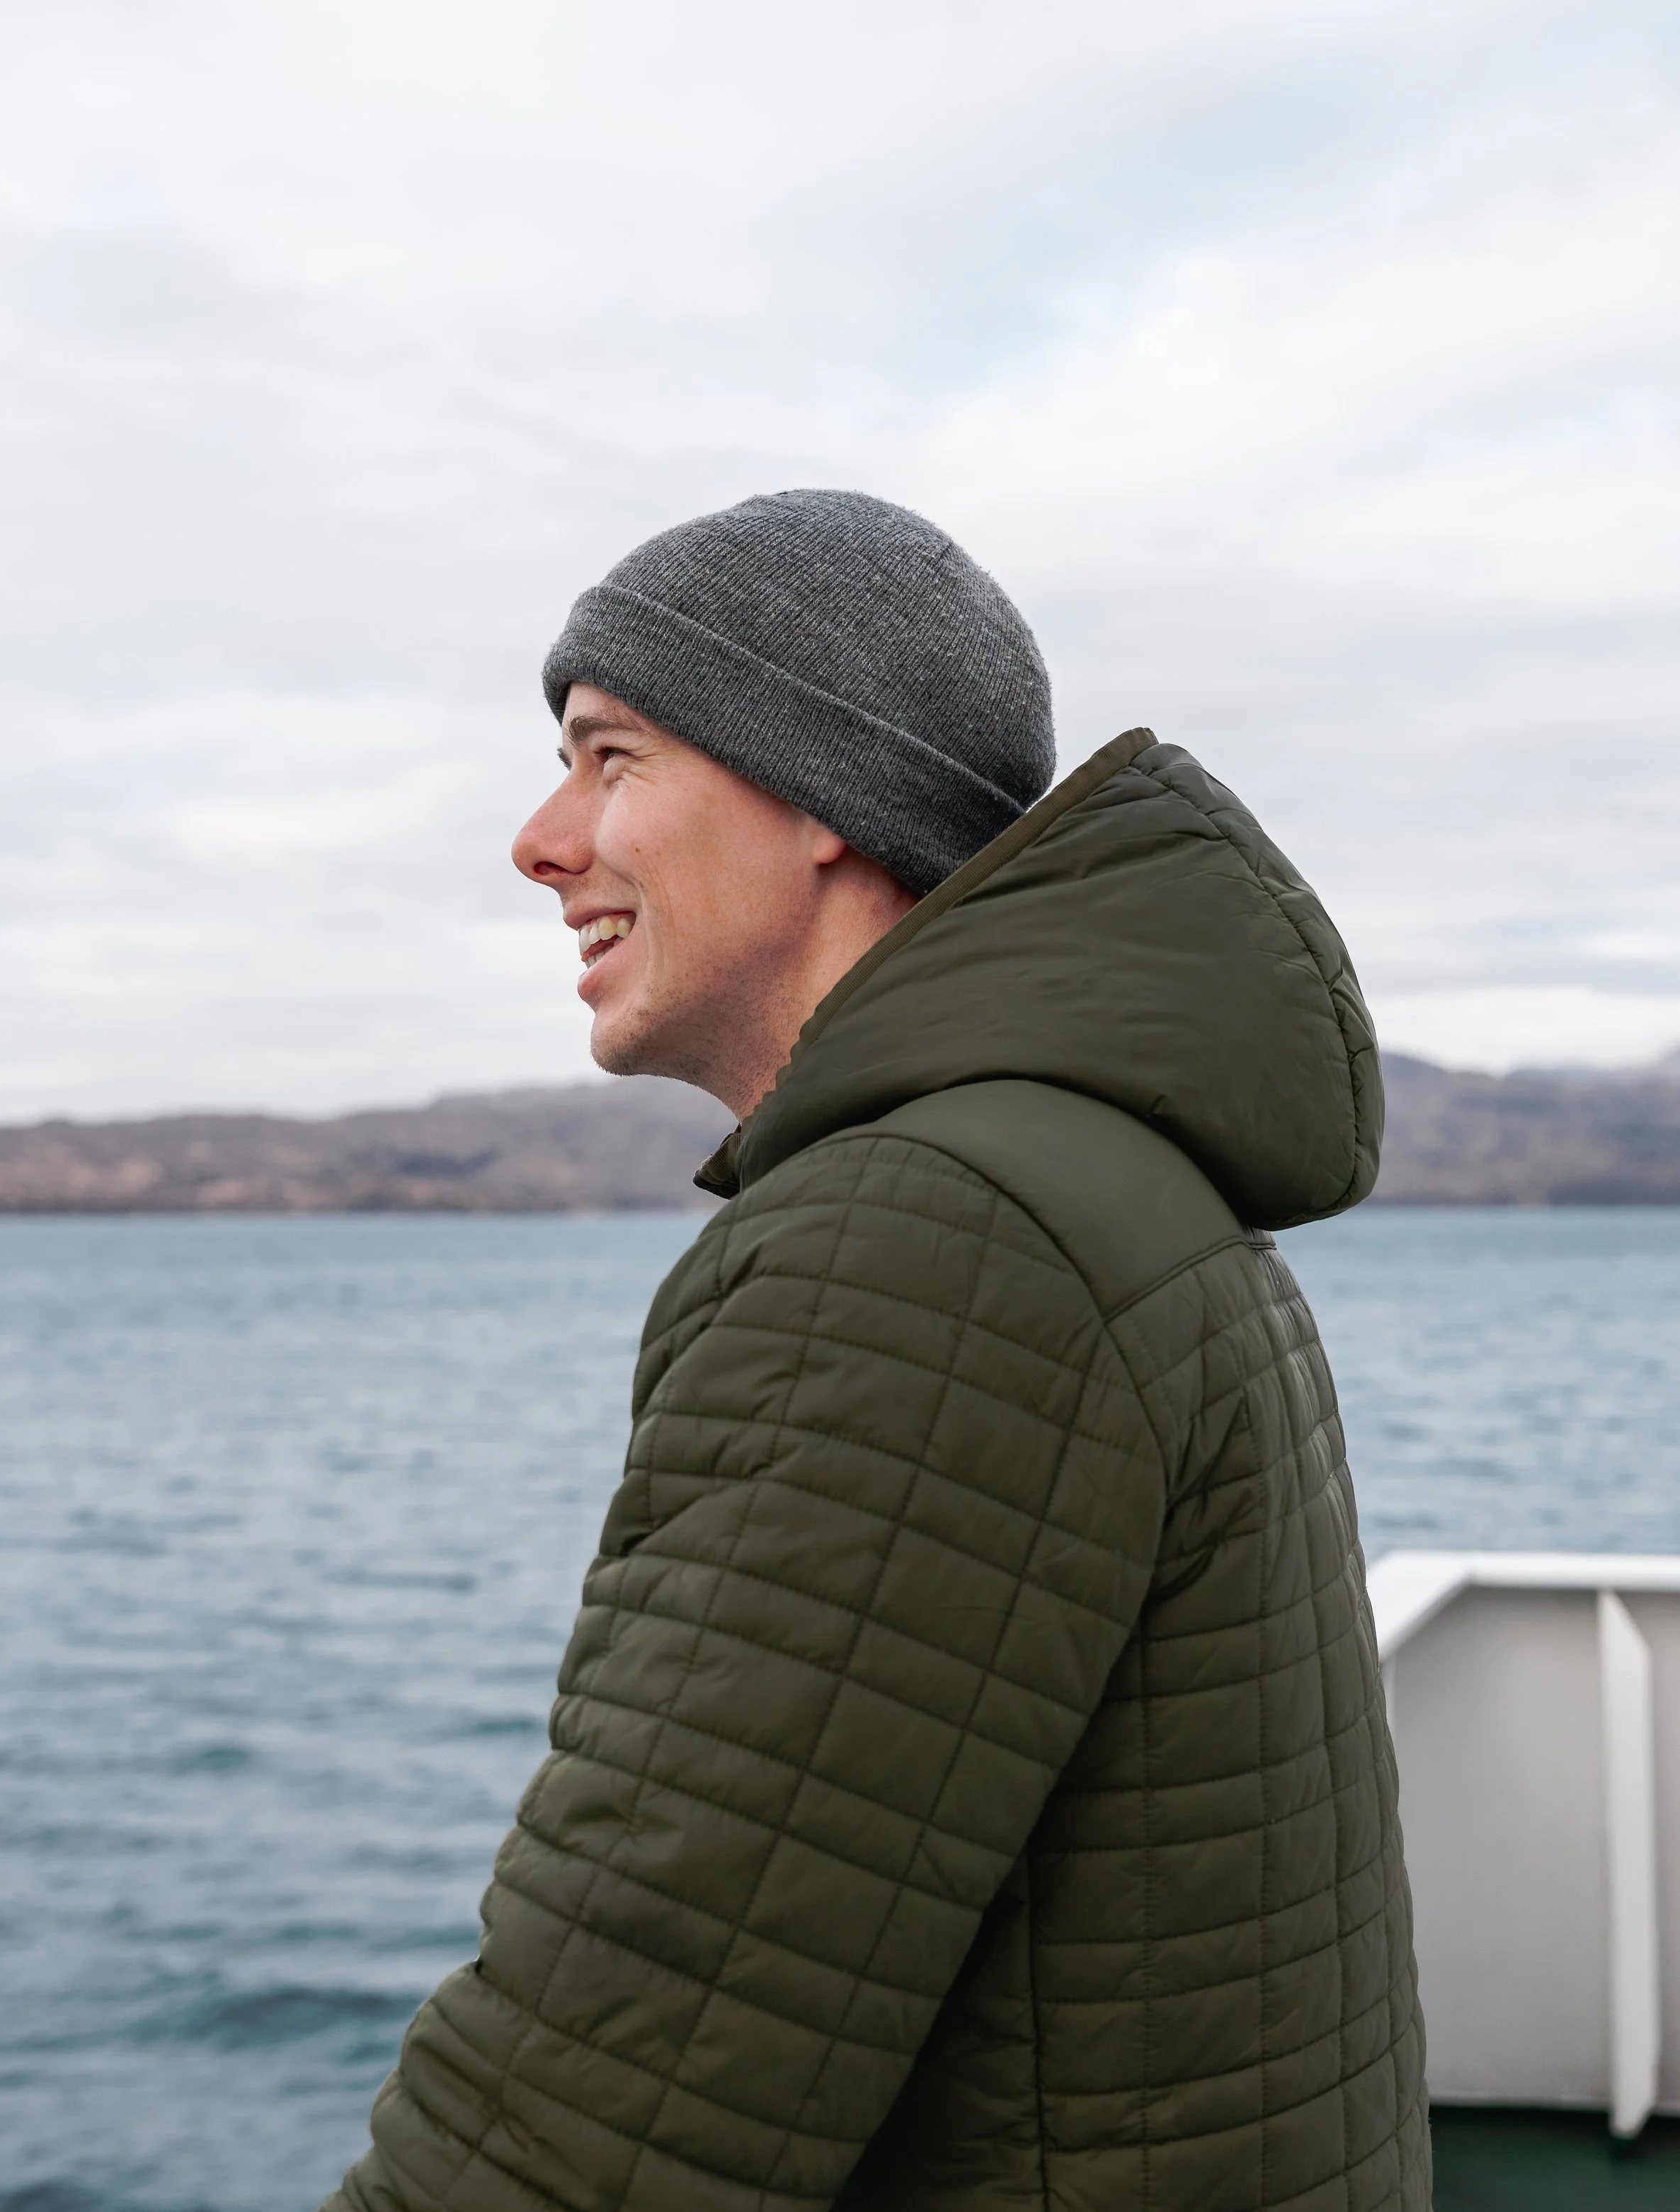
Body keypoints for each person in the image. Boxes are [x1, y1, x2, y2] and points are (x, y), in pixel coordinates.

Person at [325, 490, 1430, 2211]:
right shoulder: (1089, 1178)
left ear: (822, 793)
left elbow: (614, 2085)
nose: (541, 841)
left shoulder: (928, 1238)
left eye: (608, 758)